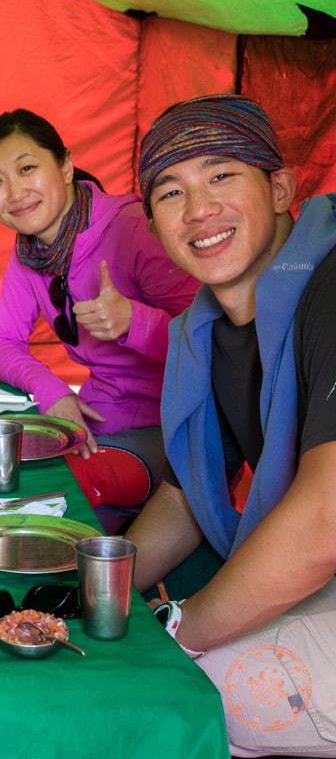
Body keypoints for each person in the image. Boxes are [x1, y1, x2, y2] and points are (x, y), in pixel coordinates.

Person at [126, 94, 336, 757]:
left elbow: (328, 518)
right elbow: (187, 496)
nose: (198, 211)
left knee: (169, 703)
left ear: (279, 188)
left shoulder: (330, 289)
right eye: (171, 192)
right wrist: (94, 592)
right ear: (156, 225)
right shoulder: (207, 333)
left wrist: (180, 630)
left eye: (221, 176)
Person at [0, 109, 199, 532]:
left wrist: (136, 321)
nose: (15, 192)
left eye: (26, 169)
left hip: (175, 431)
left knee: (42, 502)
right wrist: (52, 390)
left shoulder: (135, 230)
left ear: (65, 165)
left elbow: (216, 343)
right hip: (97, 417)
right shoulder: (31, 252)